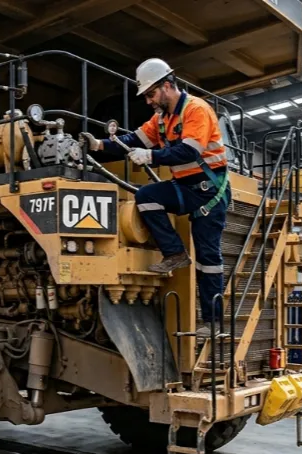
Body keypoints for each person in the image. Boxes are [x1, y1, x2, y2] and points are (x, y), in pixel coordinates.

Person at [80, 58, 230, 336]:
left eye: (151, 94)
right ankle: (175, 254)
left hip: (209, 189)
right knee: (147, 196)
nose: (148, 101)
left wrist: (151, 156)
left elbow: (189, 152)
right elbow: (134, 140)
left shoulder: (197, 110)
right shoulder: (162, 119)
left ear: (168, 86)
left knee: (208, 258)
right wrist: (99, 144)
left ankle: (213, 322)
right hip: (185, 186)